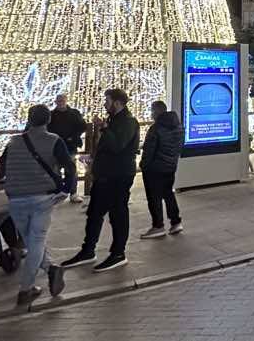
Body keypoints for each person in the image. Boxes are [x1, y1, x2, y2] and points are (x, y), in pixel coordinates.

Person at [0, 103, 75, 305]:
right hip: (42, 197)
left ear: (29, 120)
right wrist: (67, 189)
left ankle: (50, 269)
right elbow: (69, 166)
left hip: (15, 198)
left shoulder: (13, 141)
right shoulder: (53, 141)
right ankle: (26, 288)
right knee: (36, 241)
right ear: (48, 120)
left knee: (31, 241)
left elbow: (0, 168)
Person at [62, 88, 139, 273]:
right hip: (104, 176)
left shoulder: (129, 122)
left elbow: (117, 145)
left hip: (118, 177)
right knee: (94, 213)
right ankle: (88, 250)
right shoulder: (114, 121)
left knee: (118, 215)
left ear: (118, 103)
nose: (105, 104)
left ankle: (118, 253)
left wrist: (104, 128)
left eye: (107, 101)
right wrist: (93, 158)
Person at [139, 100, 183, 239]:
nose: (151, 113)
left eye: (152, 110)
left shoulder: (156, 128)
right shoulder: (178, 126)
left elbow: (149, 150)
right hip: (170, 167)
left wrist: (143, 165)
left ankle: (158, 226)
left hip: (154, 169)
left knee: (154, 198)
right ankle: (176, 222)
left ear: (157, 111)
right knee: (168, 194)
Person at [48, 94, 86, 202]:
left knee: (71, 170)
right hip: (55, 147)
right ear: (56, 102)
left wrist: (73, 137)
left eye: (62, 101)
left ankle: (73, 193)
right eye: (58, 101)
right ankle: (58, 192)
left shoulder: (74, 113)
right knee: (55, 170)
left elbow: (82, 126)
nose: (60, 103)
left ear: (66, 101)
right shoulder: (51, 115)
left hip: (70, 146)